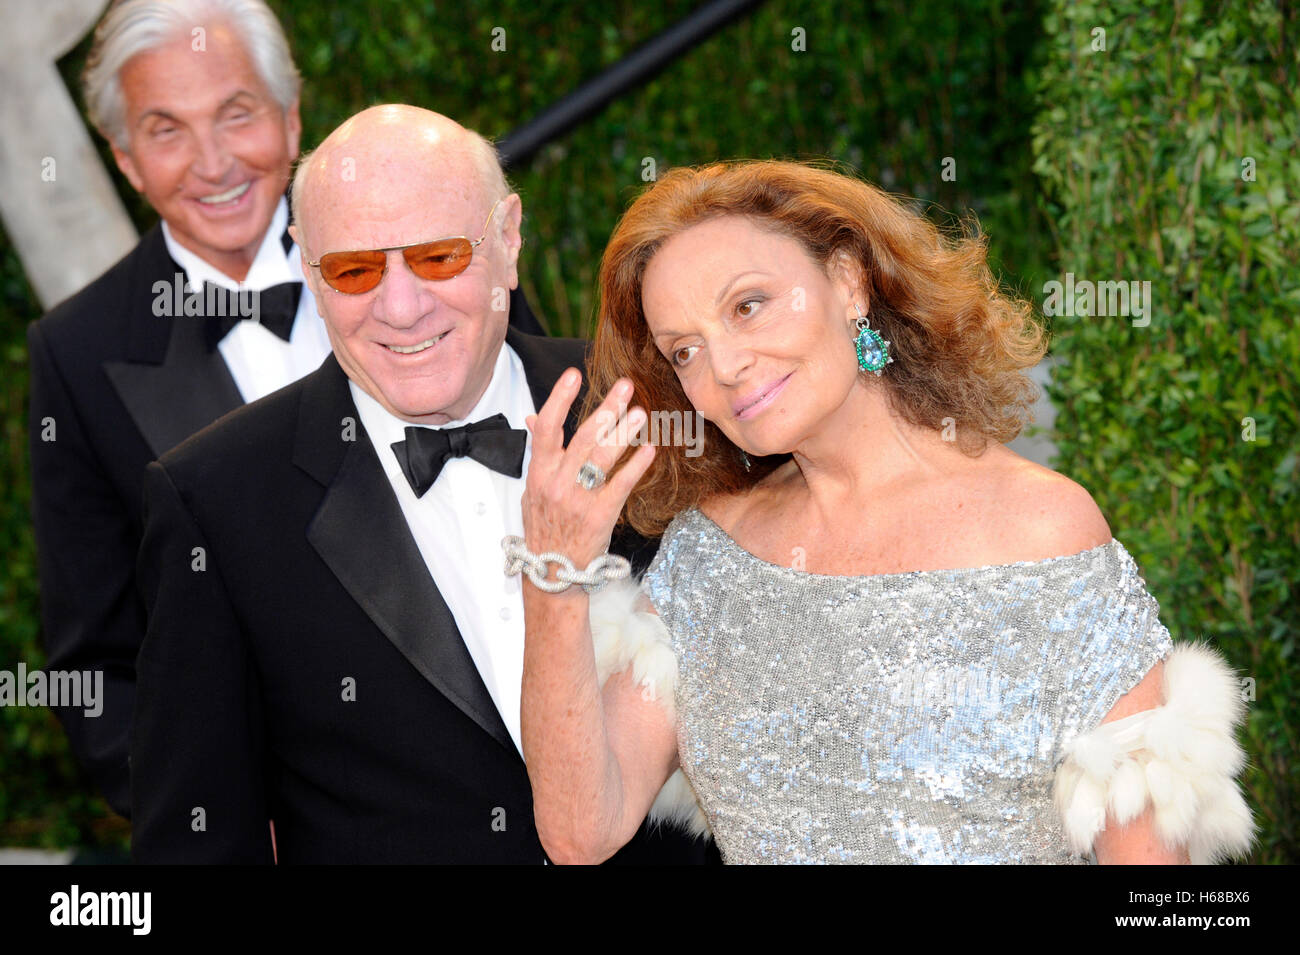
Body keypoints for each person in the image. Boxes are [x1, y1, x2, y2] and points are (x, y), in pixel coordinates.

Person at [514, 160, 1257, 864]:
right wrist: (554, 575)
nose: (725, 366)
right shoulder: (707, 553)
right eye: (685, 351)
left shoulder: (1043, 531)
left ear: (848, 282)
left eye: (749, 305)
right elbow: (582, 832)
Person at [129, 103, 709, 864]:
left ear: (508, 238)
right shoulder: (214, 500)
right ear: (305, 263)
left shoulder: (659, 411)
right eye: (355, 269)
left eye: (438, 256)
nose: (400, 308)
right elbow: (197, 841)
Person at [26, 0, 545, 820]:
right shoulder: (77, 353)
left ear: (292, 116)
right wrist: (220, 817)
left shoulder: (442, 242)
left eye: (237, 114)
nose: (213, 163)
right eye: (166, 131)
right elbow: (95, 665)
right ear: (125, 161)